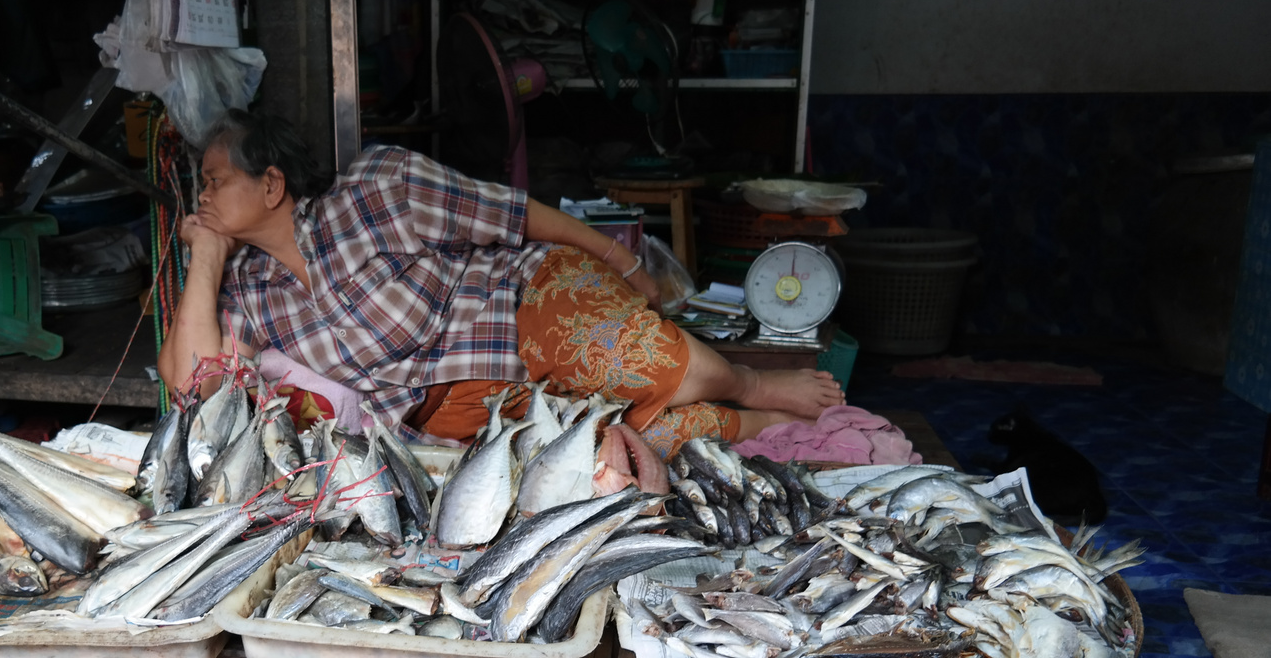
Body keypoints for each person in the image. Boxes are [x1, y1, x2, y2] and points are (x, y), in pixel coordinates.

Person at [156, 110, 843, 455]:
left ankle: (752, 383)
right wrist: (208, 256)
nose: (204, 197)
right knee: (641, 449)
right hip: (460, 412)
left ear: (271, 183)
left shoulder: (377, 191)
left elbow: (512, 215)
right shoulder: (244, 290)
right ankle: (765, 422)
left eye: (215, 182)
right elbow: (191, 385)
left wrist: (621, 258)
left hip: (523, 308)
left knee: (644, 365)